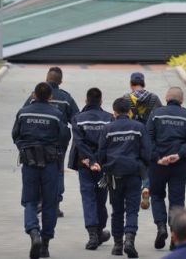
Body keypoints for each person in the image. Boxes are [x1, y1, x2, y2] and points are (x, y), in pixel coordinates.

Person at [13, 82, 70, 259]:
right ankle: (45, 244)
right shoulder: (57, 114)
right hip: (50, 164)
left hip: (29, 162)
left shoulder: (23, 112)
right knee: (49, 203)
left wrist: (24, 148)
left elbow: (16, 135)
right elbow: (64, 136)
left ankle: (33, 232)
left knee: (30, 201)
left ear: (34, 96)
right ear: (50, 97)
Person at [92, 98, 151, 258]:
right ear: (129, 111)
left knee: (117, 211)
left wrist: (105, 167)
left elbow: (101, 153)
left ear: (115, 112)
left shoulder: (108, 129)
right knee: (132, 210)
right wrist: (141, 165)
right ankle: (129, 240)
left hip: (114, 176)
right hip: (133, 173)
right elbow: (147, 152)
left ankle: (118, 245)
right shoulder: (139, 127)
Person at [146, 87, 186, 250]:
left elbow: (148, 138)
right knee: (177, 201)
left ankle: (161, 226)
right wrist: (179, 154)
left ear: (166, 98)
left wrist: (158, 157)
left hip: (158, 165)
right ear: (182, 100)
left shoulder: (155, 114)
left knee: (156, 195)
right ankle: (174, 235)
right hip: (180, 165)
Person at [24, 67, 79, 217]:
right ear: (60, 81)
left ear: (46, 78)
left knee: (36, 171)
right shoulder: (66, 98)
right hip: (57, 145)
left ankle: (39, 202)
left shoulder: (33, 97)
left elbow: (22, 116)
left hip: (34, 143)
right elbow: (76, 120)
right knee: (58, 172)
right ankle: (54, 204)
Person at [69, 87, 113, 250]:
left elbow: (79, 143)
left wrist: (90, 159)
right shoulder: (109, 118)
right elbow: (110, 142)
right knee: (101, 198)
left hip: (85, 165)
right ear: (101, 101)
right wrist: (99, 160)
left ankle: (93, 234)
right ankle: (100, 230)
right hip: (102, 166)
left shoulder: (78, 118)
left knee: (88, 197)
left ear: (86, 100)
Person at [123, 72, 162, 210]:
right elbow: (160, 117)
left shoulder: (126, 99)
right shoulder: (154, 98)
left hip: (131, 137)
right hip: (148, 137)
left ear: (131, 84)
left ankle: (132, 192)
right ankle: (146, 187)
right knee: (147, 164)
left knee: (133, 164)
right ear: (143, 83)